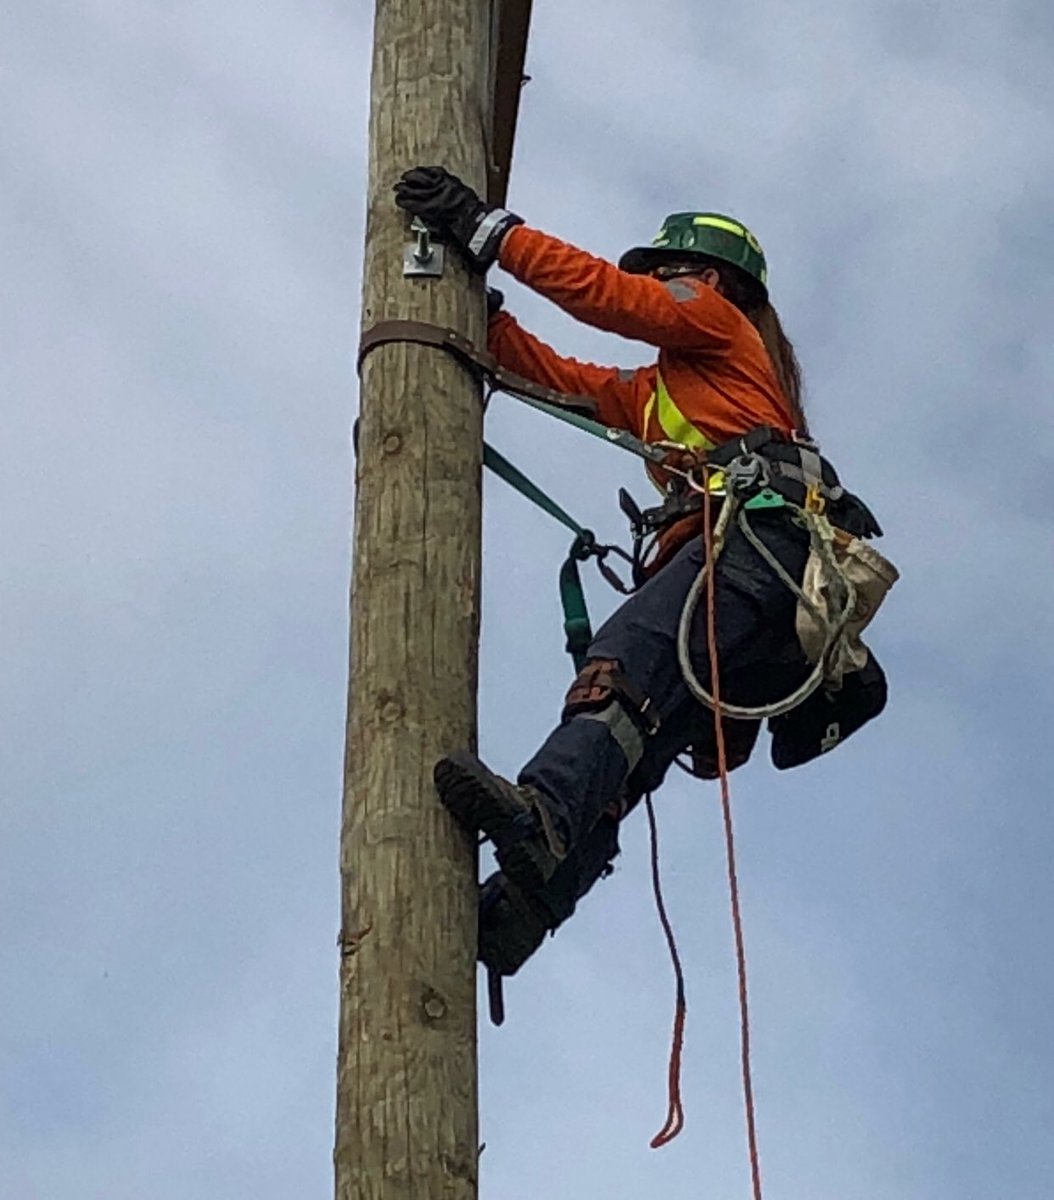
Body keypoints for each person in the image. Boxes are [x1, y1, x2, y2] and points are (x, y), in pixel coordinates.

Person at [393, 166, 890, 978]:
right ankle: (529, 907)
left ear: (712, 278)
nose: (654, 284)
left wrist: (490, 232)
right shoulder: (667, 391)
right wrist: (484, 321)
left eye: (666, 271)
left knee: (620, 675)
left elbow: (605, 297)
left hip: (750, 558)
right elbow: (568, 382)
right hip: (757, 593)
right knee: (635, 742)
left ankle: (543, 814)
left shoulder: (718, 320)